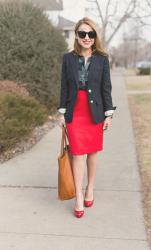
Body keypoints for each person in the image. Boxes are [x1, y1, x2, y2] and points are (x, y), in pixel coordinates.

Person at [57, 17, 116, 218]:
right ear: (76, 35)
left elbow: (106, 87)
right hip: (75, 112)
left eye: (90, 34)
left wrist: (109, 114)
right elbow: (64, 86)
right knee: (77, 154)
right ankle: (79, 196)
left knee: (92, 153)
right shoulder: (68, 58)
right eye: (82, 33)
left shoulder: (102, 58)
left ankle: (90, 187)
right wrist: (62, 112)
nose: (87, 37)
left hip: (95, 112)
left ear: (95, 36)